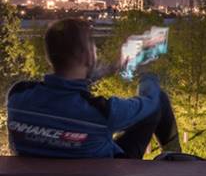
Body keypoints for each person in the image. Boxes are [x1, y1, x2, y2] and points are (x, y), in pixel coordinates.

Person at [6, 18, 181, 159]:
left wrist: (112, 68)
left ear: (49, 56)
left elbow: (65, 87)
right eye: (94, 48)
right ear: (87, 56)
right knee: (160, 99)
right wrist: (146, 72)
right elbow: (150, 101)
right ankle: (178, 158)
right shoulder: (102, 113)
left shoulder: (18, 96)